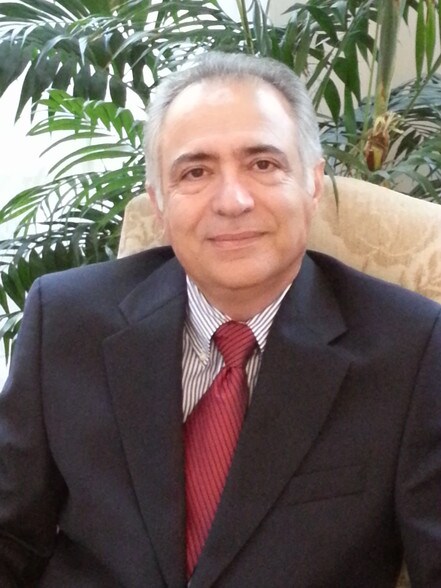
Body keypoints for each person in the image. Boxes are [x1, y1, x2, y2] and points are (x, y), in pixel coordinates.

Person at [0, 51, 440, 588]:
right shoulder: (65, 319)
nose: (232, 201)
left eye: (263, 164)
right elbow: (10, 535)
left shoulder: (412, 349)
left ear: (313, 184)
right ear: (160, 204)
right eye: (196, 172)